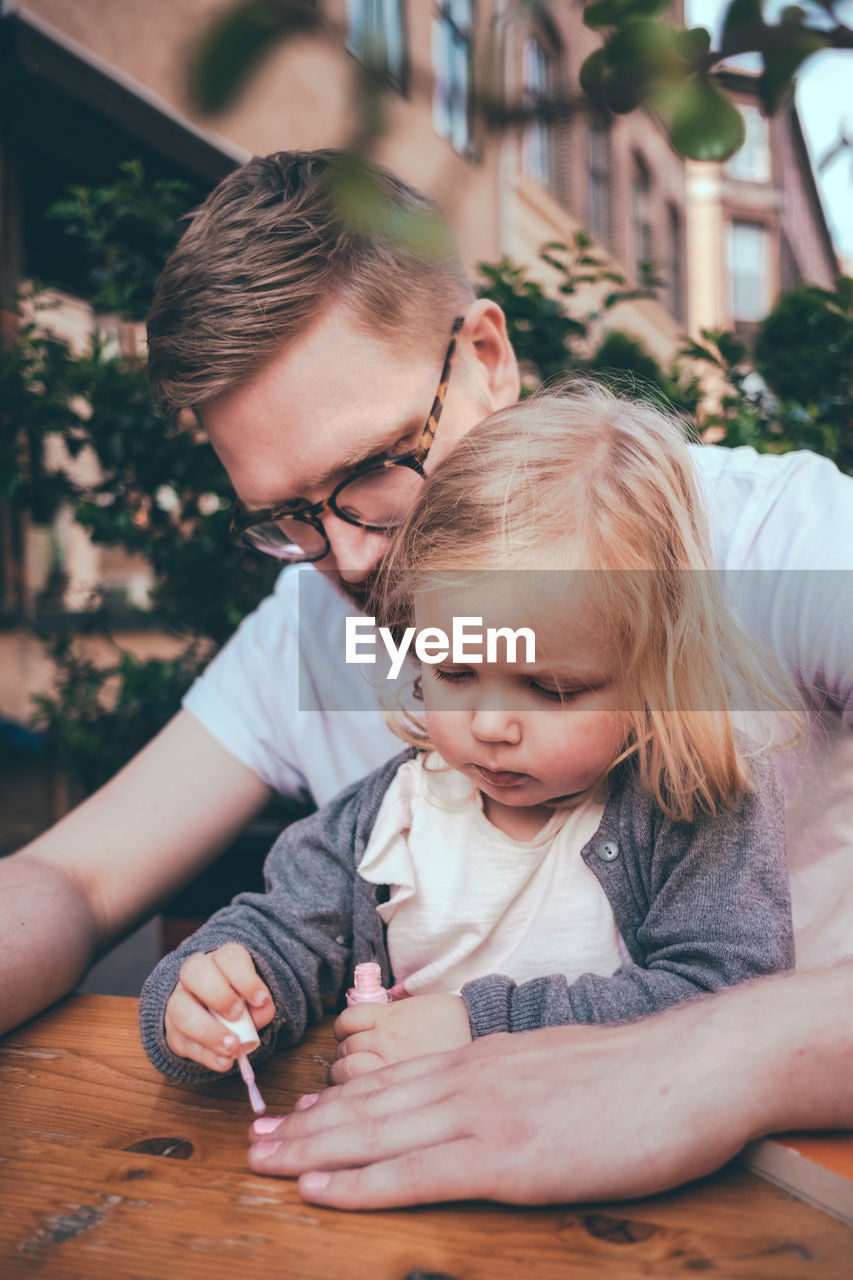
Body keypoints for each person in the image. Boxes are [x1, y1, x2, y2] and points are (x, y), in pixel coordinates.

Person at [2, 148, 851, 1202]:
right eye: (287, 516)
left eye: (372, 468)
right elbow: (74, 878)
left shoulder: (776, 542)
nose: (350, 559)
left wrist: (708, 1061)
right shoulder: (312, 625)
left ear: (486, 353)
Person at [139, 387, 797, 1084]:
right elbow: (283, 934)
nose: (488, 726)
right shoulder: (385, 820)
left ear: (657, 670)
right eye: (453, 670)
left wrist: (481, 1030)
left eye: (551, 688)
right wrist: (216, 998)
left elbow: (731, 999)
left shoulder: (686, 813)